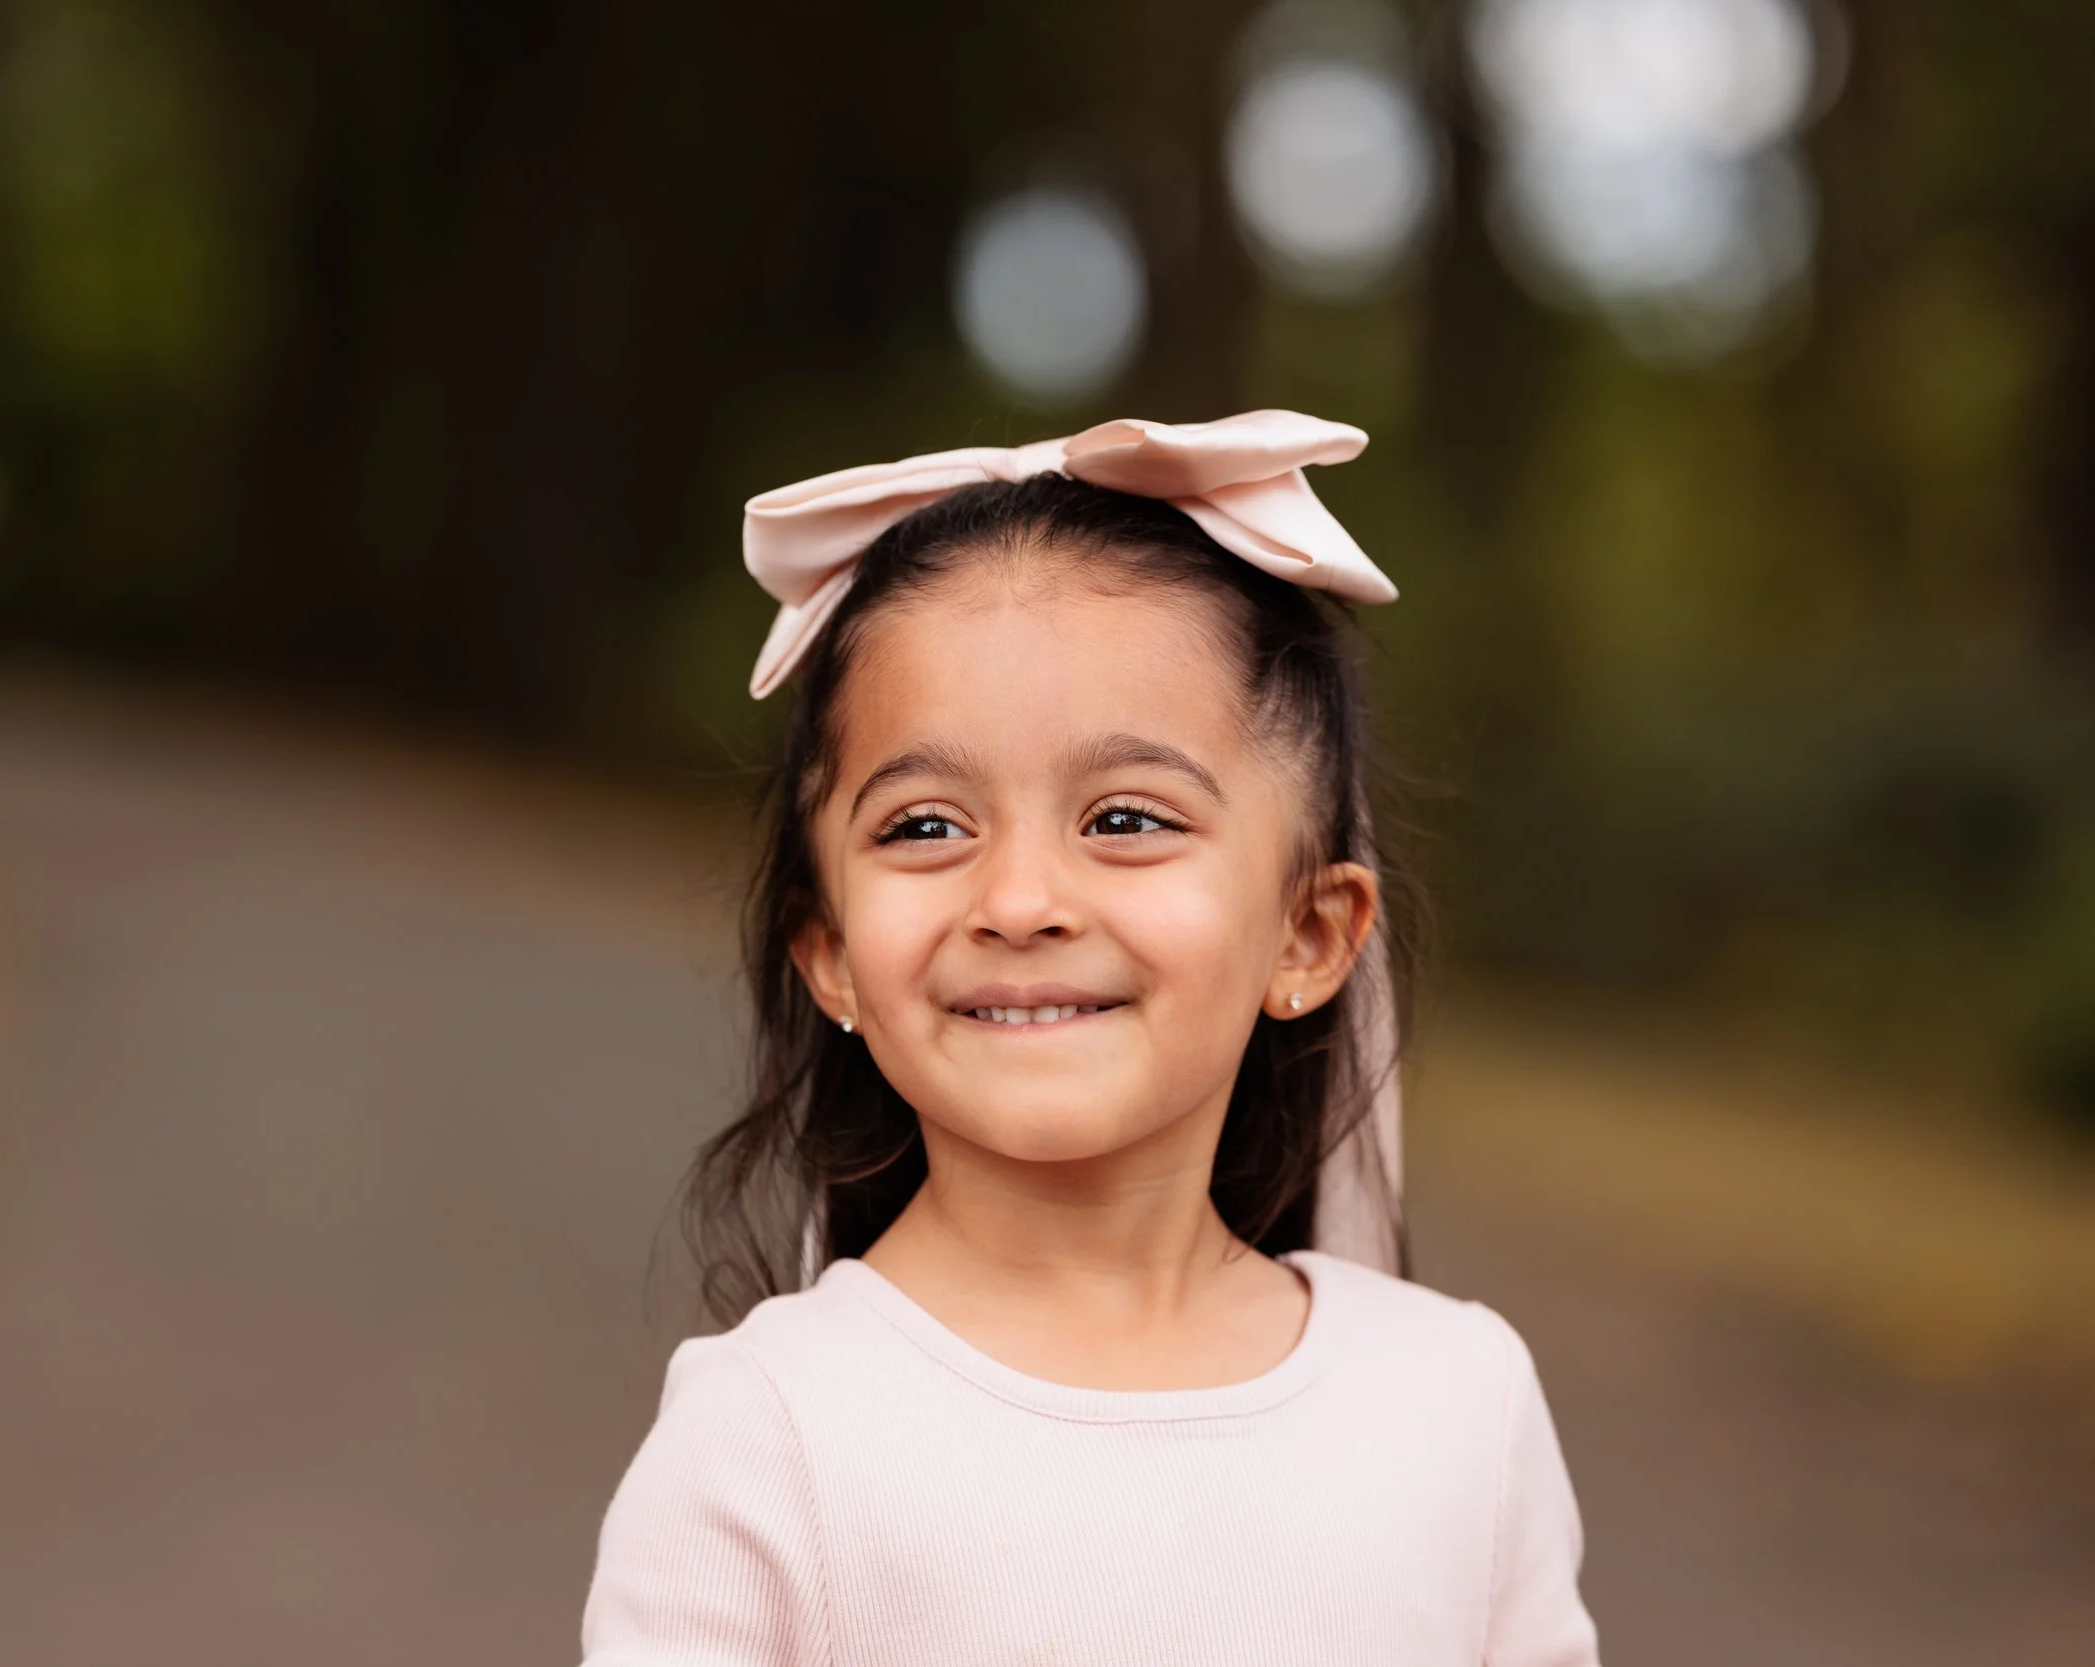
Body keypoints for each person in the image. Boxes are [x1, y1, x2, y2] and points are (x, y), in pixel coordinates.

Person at [580, 412, 1601, 1666]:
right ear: (830, 949)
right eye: (922, 826)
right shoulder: (768, 1434)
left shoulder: (1457, 1405)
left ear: (1309, 932)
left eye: (1124, 816)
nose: (1018, 901)